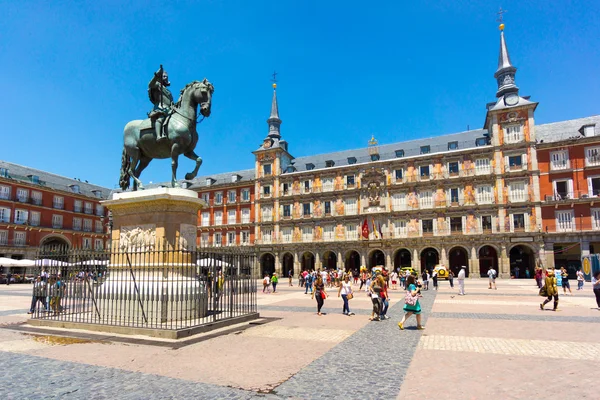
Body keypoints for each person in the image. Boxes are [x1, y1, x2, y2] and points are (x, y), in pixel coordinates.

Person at [148, 65, 174, 143]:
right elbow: (150, 85)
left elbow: (171, 102)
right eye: (164, 76)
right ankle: (159, 135)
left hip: (169, 109)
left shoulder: (168, 91)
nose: (166, 78)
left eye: (166, 76)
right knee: (161, 117)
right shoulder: (157, 85)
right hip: (160, 108)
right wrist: (156, 75)